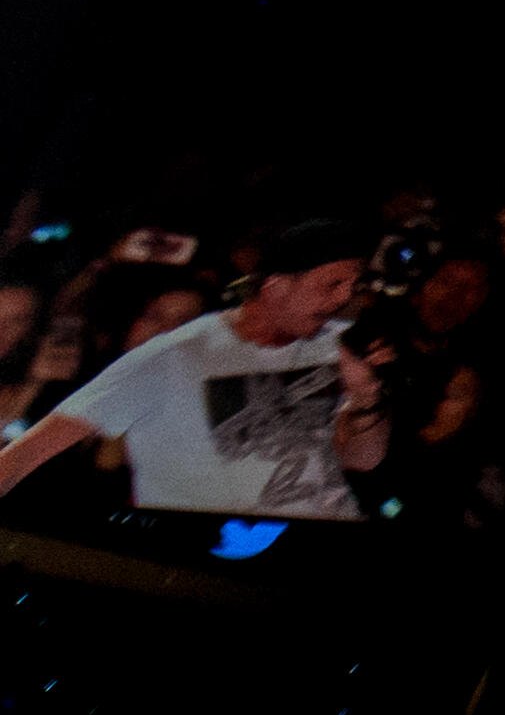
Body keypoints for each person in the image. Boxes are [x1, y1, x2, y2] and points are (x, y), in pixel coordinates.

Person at [0, 220, 391, 519]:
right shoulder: (157, 361)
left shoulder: (337, 344)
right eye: (332, 284)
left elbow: (362, 459)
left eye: (351, 286)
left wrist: (366, 398)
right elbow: (25, 458)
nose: (343, 298)